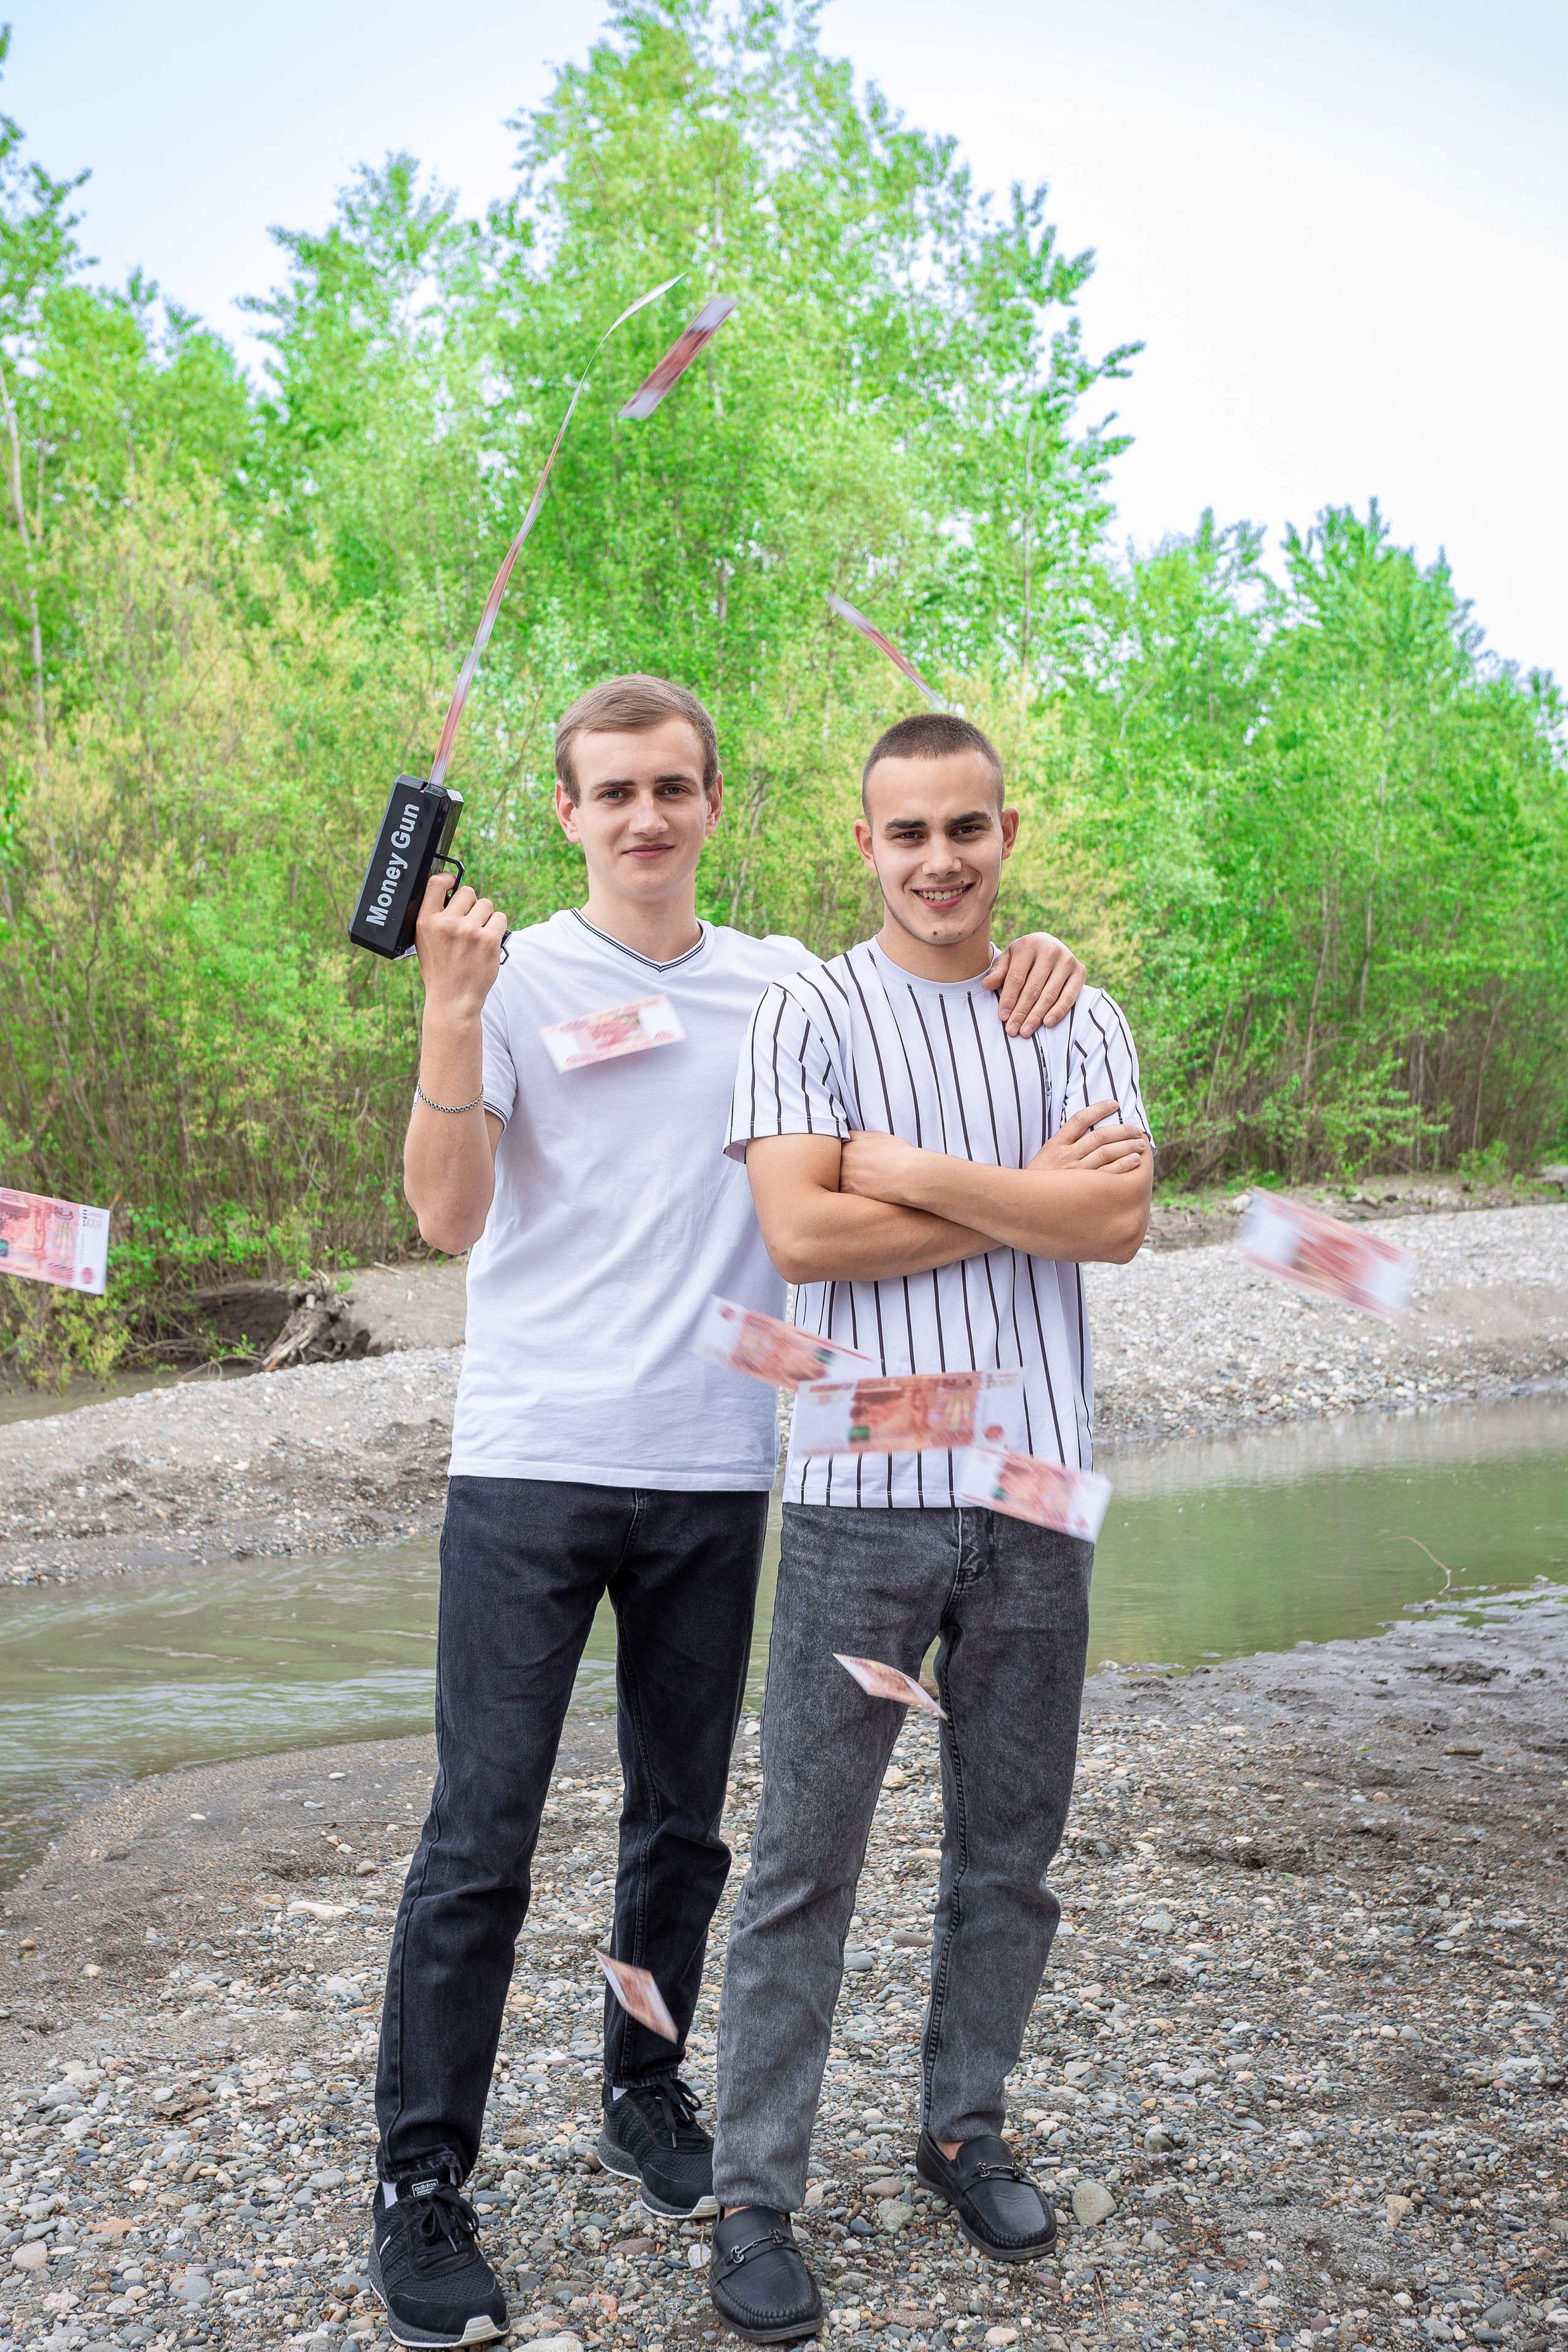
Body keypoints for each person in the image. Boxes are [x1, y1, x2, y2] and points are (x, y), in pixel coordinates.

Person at [364, 672, 1090, 2350]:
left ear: (713, 803)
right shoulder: (510, 965)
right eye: (610, 792)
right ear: (564, 811)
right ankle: (421, 2176)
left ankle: (646, 2083)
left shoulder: (782, 988)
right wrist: (450, 1020)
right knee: (483, 1832)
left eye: (671, 789)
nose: (643, 818)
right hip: (536, 1461)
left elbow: (938, 980)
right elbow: (443, 1221)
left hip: (718, 1464)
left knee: (683, 1824)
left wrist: (1032, 960)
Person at [706, 709, 1153, 2345]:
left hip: (1037, 1487)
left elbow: (1109, 1220)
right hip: (859, 1491)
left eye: (968, 829)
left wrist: (905, 1164)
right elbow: (803, 1235)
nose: (941, 860)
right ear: (866, 844)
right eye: (910, 834)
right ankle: (755, 2196)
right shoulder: (807, 1008)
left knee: (1009, 1856)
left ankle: (966, 2126)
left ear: (1007, 835)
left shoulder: (1077, 1010)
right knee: (804, 1863)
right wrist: (997, 1186)